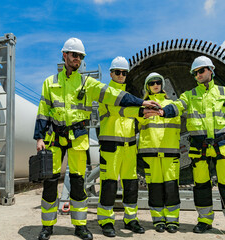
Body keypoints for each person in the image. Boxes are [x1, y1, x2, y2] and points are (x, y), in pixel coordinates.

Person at [34, 37, 160, 240]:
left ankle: (80, 226)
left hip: (78, 138)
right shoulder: (50, 83)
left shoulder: (88, 83)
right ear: (64, 55)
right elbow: (43, 111)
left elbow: (114, 95)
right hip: (54, 138)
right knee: (50, 183)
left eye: (81, 56)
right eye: (74, 55)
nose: (77, 59)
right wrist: (39, 137)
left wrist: (141, 102)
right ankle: (47, 226)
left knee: (77, 182)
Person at [160, 56, 225, 240]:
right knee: (201, 187)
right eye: (195, 73)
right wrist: (162, 110)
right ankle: (204, 221)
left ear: (211, 70)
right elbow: (177, 106)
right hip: (199, 148)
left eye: (201, 71)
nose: (198, 75)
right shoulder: (189, 95)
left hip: (223, 146)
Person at [97, 56, 145, 237]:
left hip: (129, 147)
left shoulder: (131, 96)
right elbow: (120, 107)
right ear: (111, 73)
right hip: (111, 146)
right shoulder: (106, 93)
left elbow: (139, 117)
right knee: (109, 184)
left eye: (124, 73)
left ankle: (131, 218)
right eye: (117, 72)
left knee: (131, 184)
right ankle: (106, 220)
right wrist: (141, 107)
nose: (121, 75)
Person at [137, 72, 181, 233]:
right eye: (151, 83)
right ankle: (158, 220)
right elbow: (140, 121)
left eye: (158, 82)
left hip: (170, 153)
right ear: (147, 87)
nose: (156, 85)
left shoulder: (173, 105)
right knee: (154, 188)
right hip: (151, 153)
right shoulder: (142, 108)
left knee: (171, 187)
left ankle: (172, 220)